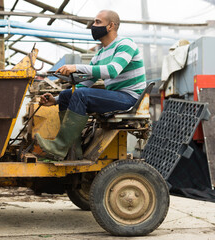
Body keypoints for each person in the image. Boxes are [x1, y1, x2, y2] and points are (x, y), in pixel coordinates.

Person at [36, 10, 146, 161]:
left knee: (82, 95)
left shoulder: (125, 44)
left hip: (130, 99)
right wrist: (56, 99)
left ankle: (59, 147)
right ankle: (73, 150)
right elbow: (86, 83)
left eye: (97, 22)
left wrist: (77, 67)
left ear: (111, 26)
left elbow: (113, 71)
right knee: (69, 94)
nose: (93, 26)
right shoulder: (100, 54)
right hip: (116, 96)